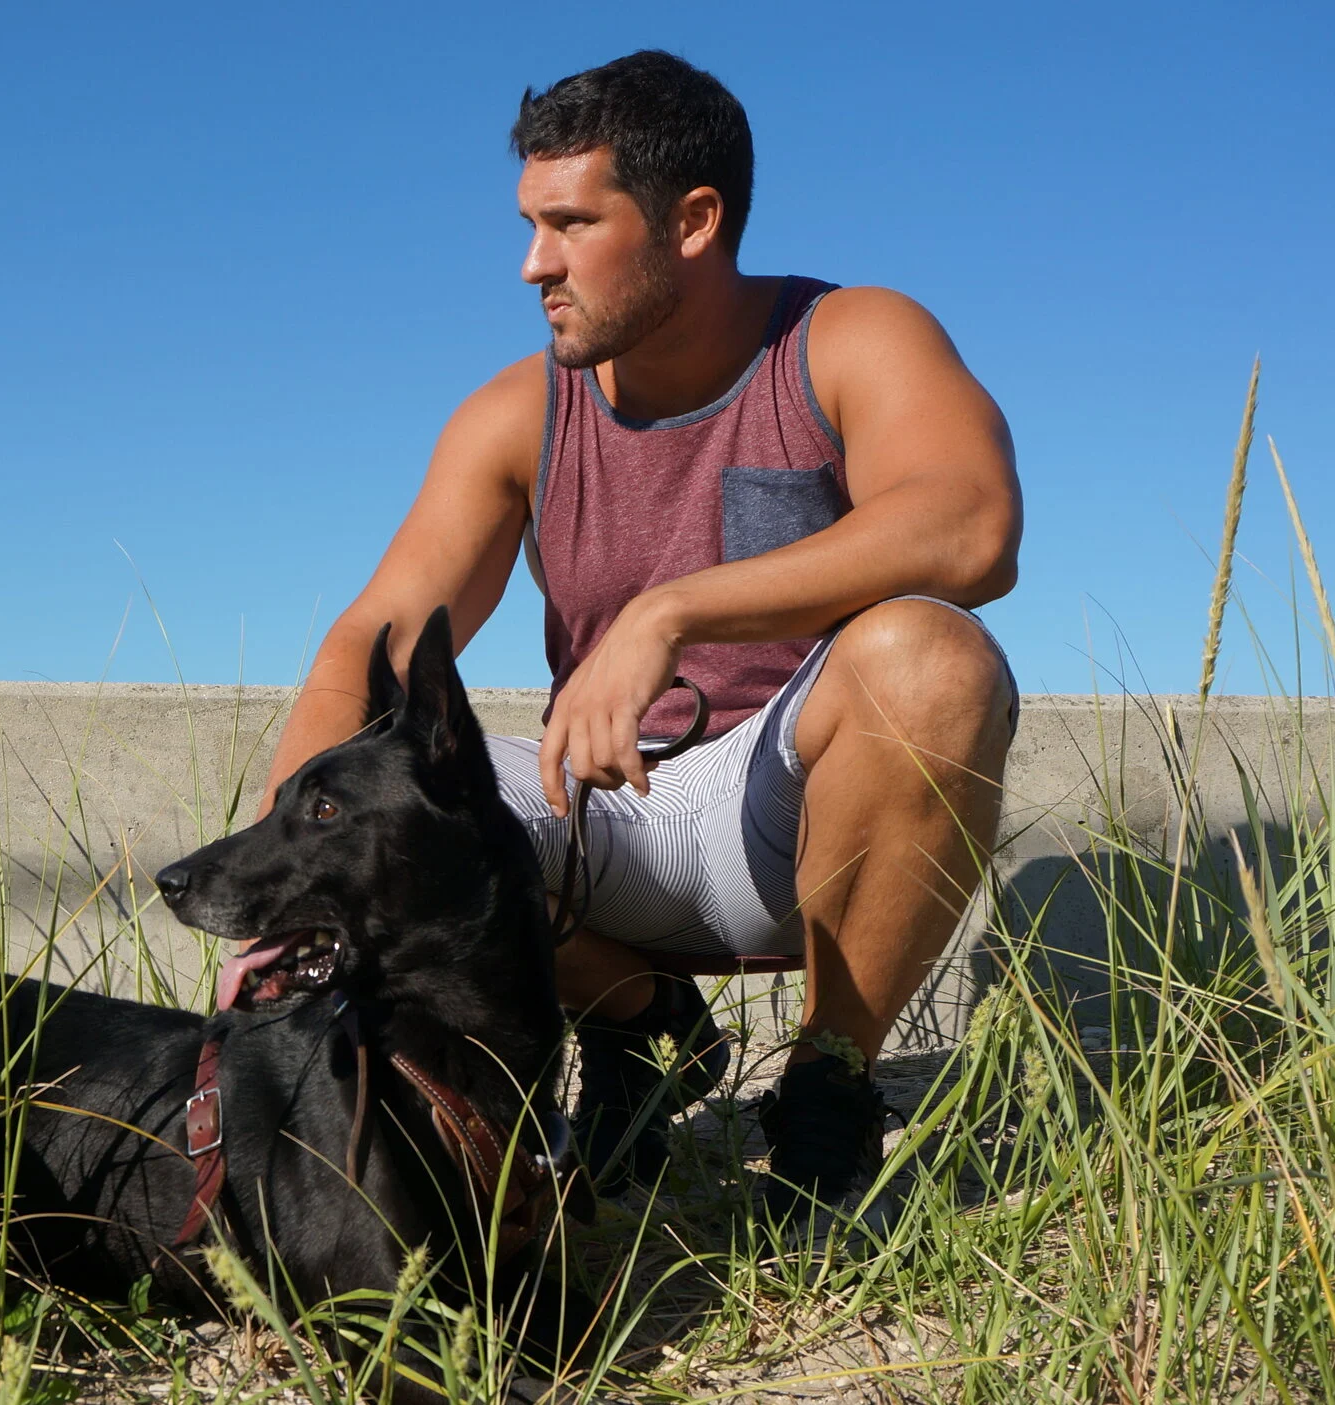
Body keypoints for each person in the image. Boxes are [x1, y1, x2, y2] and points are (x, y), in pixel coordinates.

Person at [257, 51, 1021, 1213]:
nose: (532, 265)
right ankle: (643, 1027)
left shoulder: (845, 336)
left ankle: (826, 1092)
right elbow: (367, 644)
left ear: (693, 220)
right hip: (602, 812)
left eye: (570, 224)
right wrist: (281, 892)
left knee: (933, 656)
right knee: (388, 796)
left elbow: (972, 528)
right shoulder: (520, 411)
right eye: (529, 224)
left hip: (791, 811)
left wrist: (673, 610)